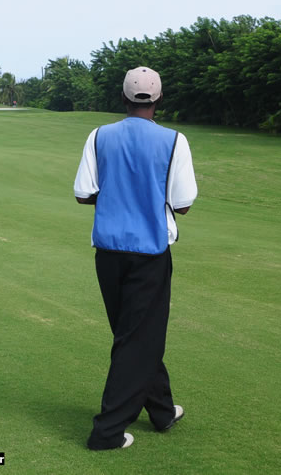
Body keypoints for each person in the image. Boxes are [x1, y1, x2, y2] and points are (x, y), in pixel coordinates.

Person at [73, 67, 197, 449]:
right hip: (149, 253)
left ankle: (161, 410)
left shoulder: (99, 136)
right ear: (158, 100)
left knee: (134, 335)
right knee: (137, 338)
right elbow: (183, 204)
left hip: (108, 252)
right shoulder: (174, 141)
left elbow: (83, 193)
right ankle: (107, 431)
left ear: (124, 98)